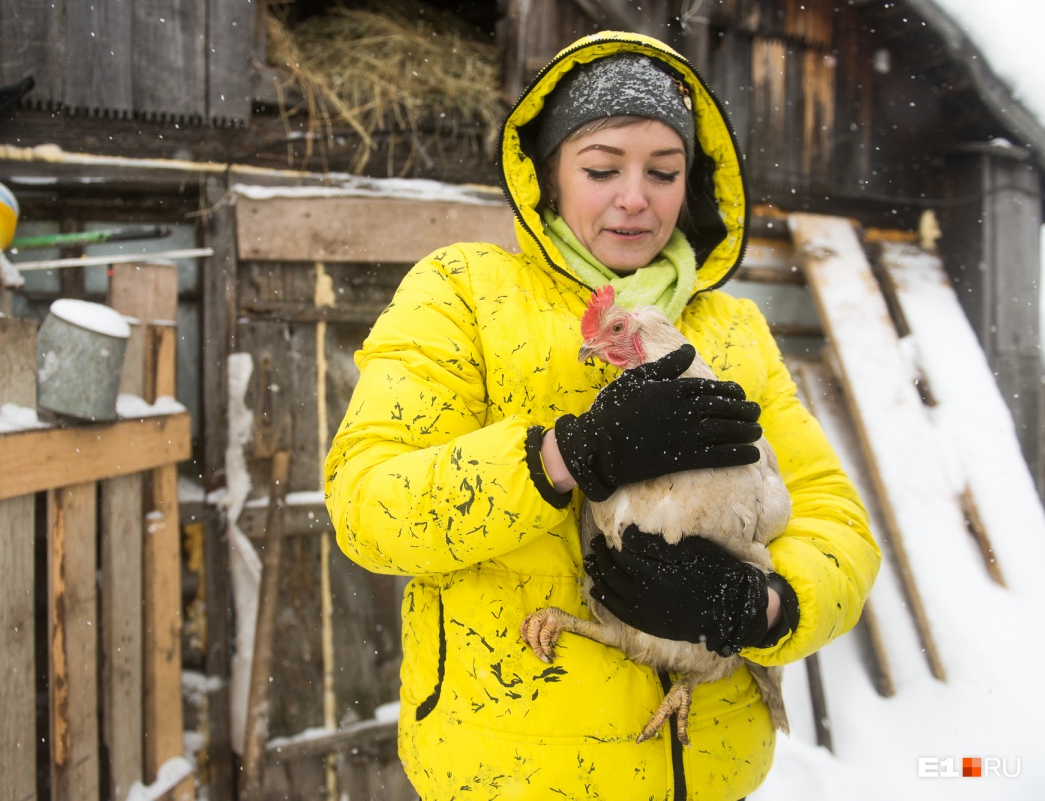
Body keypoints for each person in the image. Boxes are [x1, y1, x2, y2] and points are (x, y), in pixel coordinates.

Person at [325, 31, 880, 800]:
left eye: (664, 171)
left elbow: (838, 523)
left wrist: (768, 604)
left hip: (709, 774)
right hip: (512, 776)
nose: (634, 197)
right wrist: (566, 456)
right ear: (548, 174)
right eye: (601, 168)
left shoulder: (732, 331)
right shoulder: (463, 294)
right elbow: (366, 507)